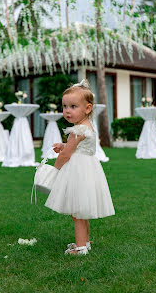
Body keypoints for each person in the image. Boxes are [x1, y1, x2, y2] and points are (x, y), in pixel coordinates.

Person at [45, 79, 115, 255]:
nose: (67, 111)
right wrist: (63, 145)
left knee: (77, 211)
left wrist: (55, 169)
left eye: (73, 106)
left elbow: (67, 155)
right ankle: (85, 241)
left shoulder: (77, 131)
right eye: (65, 106)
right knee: (82, 208)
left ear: (88, 108)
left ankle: (81, 247)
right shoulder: (85, 127)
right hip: (88, 168)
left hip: (77, 171)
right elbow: (74, 148)